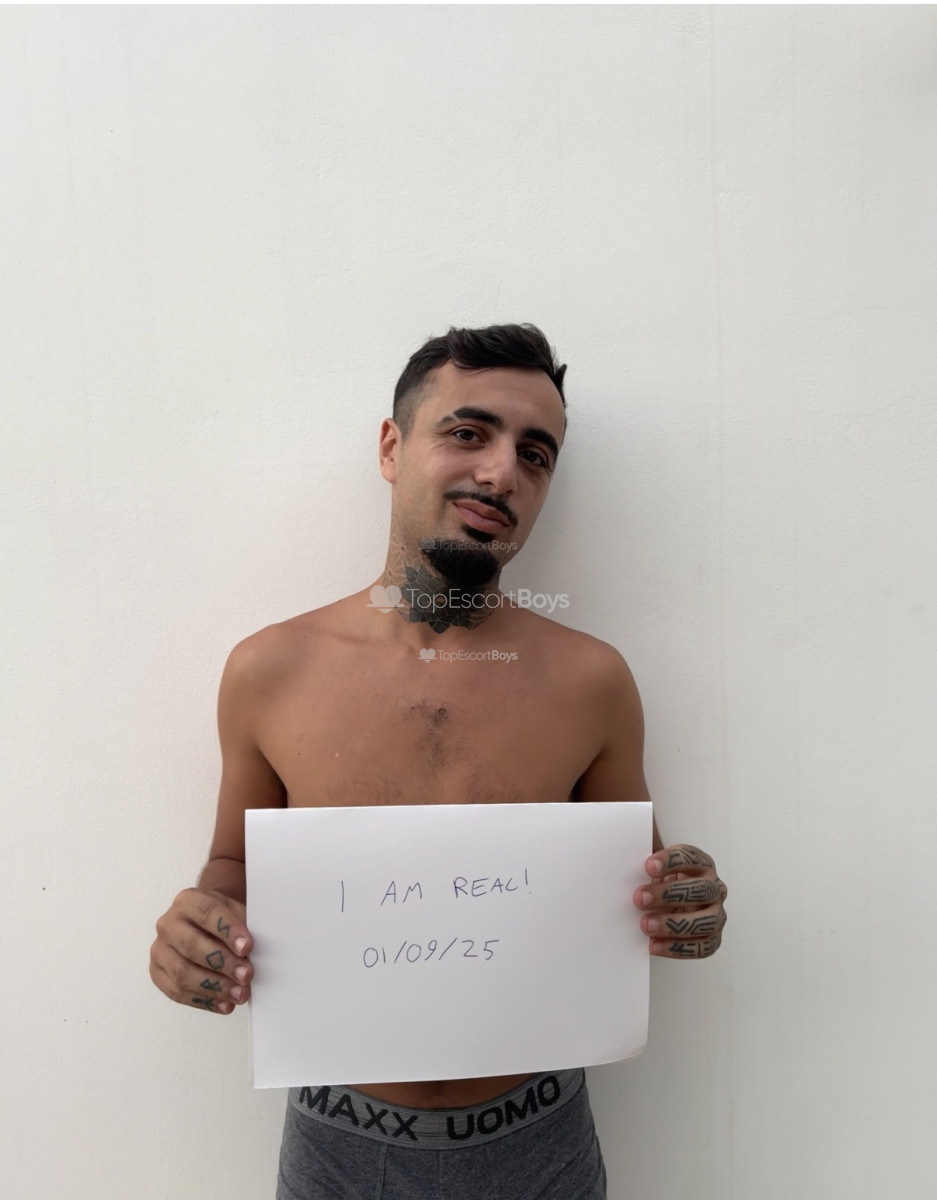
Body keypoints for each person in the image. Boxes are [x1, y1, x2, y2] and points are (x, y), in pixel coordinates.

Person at [149, 323, 728, 1199]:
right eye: (467, 432)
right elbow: (233, 865)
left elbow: (642, 886)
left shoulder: (590, 681)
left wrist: (683, 902)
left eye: (535, 454)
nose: (501, 472)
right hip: (338, 1140)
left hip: (541, 1137)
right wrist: (198, 931)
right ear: (391, 447)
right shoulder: (271, 670)